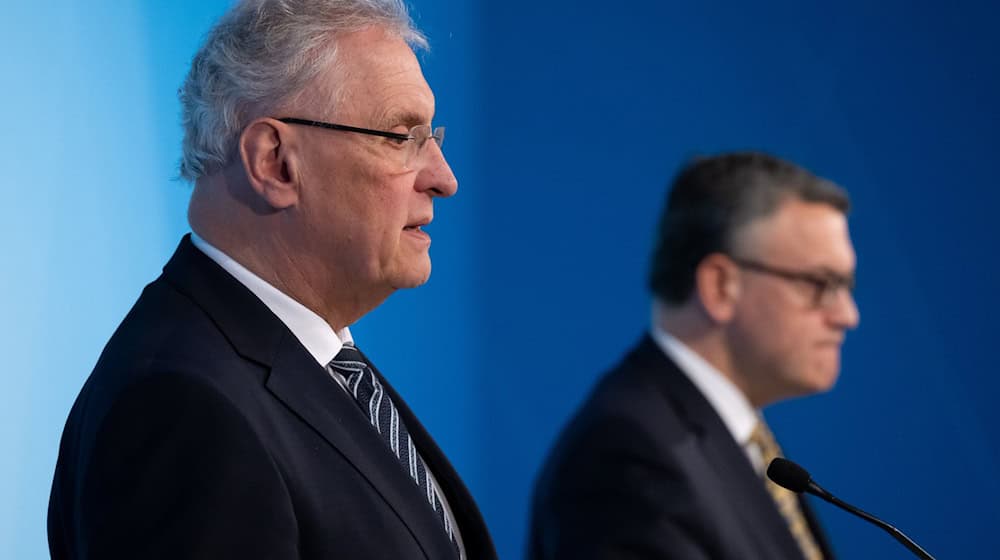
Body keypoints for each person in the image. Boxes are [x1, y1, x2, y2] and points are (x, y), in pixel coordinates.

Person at [47, 1, 496, 558]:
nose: (443, 178)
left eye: (432, 137)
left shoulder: (312, 365)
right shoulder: (181, 406)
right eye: (399, 136)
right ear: (275, 162)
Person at [528, 151, 859, 559]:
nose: (847, 315)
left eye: (847, 286)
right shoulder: (629, 458)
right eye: (821, 284)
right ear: (721, 286)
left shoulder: (737, 441)